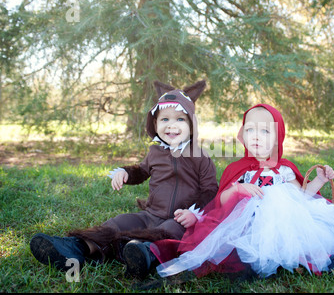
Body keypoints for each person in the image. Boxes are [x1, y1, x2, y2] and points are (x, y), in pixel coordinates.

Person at [151, 104, 334, 280]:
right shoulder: (240, 169)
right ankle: (258, 264)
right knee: (247, 249)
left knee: (319, 234)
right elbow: (221, 202)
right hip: (251, 221)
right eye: (251, 130)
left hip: (293, 220)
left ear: (278, 137)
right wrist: (240, 188)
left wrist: (317, 181)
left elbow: (304, 197)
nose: (257, 137)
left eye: (265, 131)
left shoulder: (284, 168)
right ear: (242, 134)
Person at [30, 80, 219, 279]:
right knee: (120, 222)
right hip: (151, 214)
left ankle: (143, 254)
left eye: (180, 120)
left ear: (191, 124)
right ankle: (78, 247)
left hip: (180, 219)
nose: (171, 125)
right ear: (155, 124)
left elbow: (210, 190)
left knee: (166, 233)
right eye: (165, 120)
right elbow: (141, 171)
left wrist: (194, 213)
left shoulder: (200, 157)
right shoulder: (155, 152)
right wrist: (126, 173)